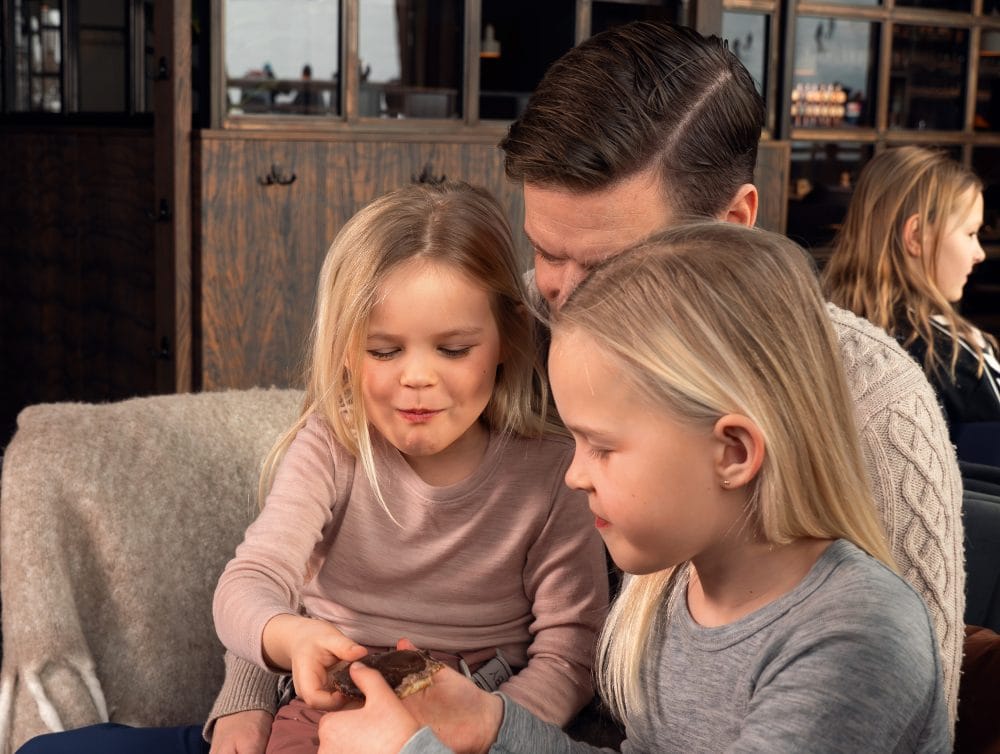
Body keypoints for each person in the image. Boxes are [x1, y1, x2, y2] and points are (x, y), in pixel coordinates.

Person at [18, 19, 964, 754]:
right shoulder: (517, 343)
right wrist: (258, 706)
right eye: (546, 255)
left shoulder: (868, 423)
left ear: (734, 222)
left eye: (611, 265)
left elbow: (882, 704)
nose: (564, 302)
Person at [315, 222, 951, 754]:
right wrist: (490, 724)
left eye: (602, 447)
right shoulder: (681, 593)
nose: (574, 473)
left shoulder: (856, 637)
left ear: (732, 452)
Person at [822, 146, 1000, 443]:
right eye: (970, 233)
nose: (979, 252)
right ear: (916, 236)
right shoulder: (951, 356)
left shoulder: (825, 330)